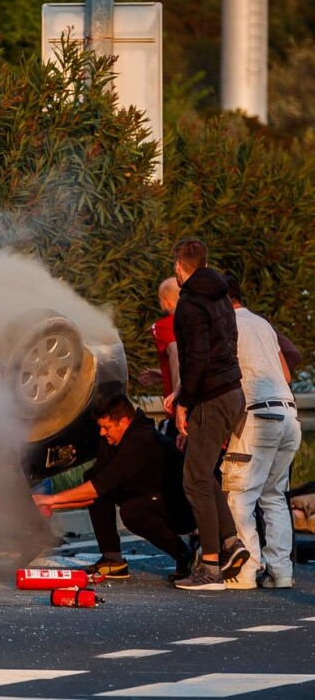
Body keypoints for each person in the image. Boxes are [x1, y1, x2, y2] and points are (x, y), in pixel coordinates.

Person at [34, 396, 196, 581]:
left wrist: (50, 499)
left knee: (132, 513)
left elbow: (100, 485)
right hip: (147, 495)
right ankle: (112, 559)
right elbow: (96, 488)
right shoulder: (113, 439)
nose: (102, 433)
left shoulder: (142, 440)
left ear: (124, 422)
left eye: (106, 427)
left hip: (180, 507)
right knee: (92, 479)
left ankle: (184, 555)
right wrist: (51, 505)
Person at [167, 237, 249, 591]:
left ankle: (211, 568)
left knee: (195, 479)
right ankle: (230, 542)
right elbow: (228, 345)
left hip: (212, 396)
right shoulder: (221, 296)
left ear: (178, 266)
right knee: (202, 473)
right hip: (233, 392)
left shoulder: (188, 304)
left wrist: (185, 402)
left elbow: (196, 360)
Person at [219, 275, 301, 590]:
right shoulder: (263, 324)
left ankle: (246, 571)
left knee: (240, 494)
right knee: (274, 496)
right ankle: (281, 573)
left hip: (258, 415)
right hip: (288, 414)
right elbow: (286, 372)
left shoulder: (228, 325)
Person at [151, 277, 180, 438]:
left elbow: (175, 353)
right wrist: (163, 373)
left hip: (180, 407)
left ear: (166, 302)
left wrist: (177, 392)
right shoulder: (199, 322)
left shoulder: (162, 326)